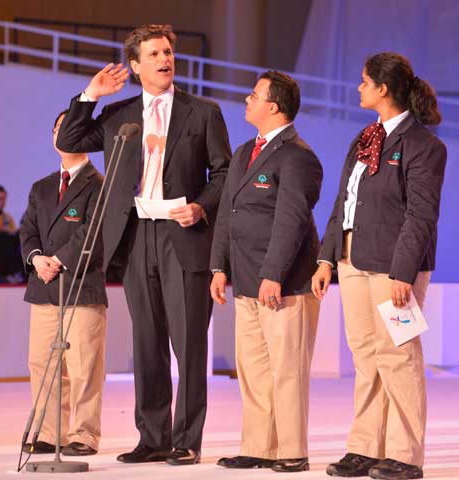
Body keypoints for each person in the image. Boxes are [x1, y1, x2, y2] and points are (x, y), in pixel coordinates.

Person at [57, 24, 231, 466]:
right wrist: (90, 94)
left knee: (189, 342)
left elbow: (224, 173)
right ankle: (152, 437)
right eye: (153, 54)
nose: (164, 59)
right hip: (136, 235)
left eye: (168, 52)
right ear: (135, 66)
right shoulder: (119, 115)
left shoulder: (203, 111)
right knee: (147, 340)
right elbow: (70, 140)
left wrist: (202, 207)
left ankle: (187, 439)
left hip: (183, 234)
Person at [311, 52, 446, 480]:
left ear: (383, 89)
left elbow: (421, 215)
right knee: (366, 356)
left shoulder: (425, 146)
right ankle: (366, 446)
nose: (359, 88)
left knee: (399, 354)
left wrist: (403, 273)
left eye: (364, 81)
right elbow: (344, 202)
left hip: (394, 267)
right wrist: (326, 257)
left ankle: (406, 454)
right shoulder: (365, 138)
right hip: (353, 260)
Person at [210, 71, 322, 473]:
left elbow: (291, 222)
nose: (247, 100)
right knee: (253, 370)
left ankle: (292, 450)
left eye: (254, 95)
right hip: (244, 279)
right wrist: (219, 266)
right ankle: (259, 447)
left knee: (286, 369)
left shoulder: (299, 156)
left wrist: (273, 273)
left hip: (283, 284)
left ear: (273, 106)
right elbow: (227, 213)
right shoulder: (244, 152)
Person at [19, 110, 108, 457]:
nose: (61, 133)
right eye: (57, 127)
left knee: (84, 367)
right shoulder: (41, 187)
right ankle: (48, 432)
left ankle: (83, 435)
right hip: (43, 288)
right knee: (42, 363)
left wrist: (60, 259)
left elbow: (95, 231)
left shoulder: (100, 185)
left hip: (81, 287)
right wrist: (37, 258)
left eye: (69, 127)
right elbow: (27, 231)